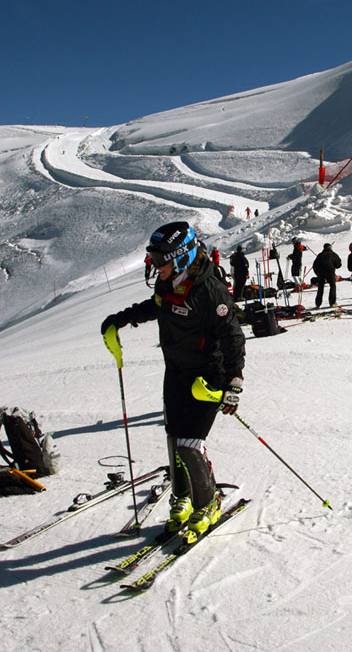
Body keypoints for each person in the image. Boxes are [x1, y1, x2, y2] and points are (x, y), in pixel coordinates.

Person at [100, 222, 245, 543]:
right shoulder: (169, 284)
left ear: (180, 257)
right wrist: (121, 318)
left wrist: (233, 383)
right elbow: (158, 307)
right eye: (152, 257)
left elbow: (233, 336)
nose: (154, 265)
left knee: (190, 445)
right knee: (173, 439)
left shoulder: (209, 290)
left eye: (159, 259)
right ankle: (182, 496)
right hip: (176, 372)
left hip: (208, 376)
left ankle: (208, 503)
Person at [313, 243, 342, 308]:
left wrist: (318, 274)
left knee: (320, 287)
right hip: (330, 272)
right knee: (332, 286)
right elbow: (338, 265)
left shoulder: (320, 255)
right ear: (330, 248)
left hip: (321, 273)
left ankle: (318, 303)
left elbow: (314, 266)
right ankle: (332, 302)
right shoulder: (333, 255)